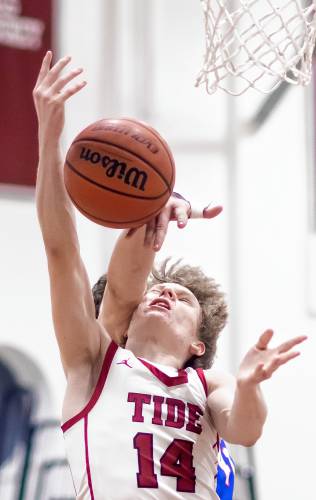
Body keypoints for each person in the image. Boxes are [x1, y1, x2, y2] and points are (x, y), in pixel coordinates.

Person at [33, 52, 306, 500]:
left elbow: (244, 428)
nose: (162, 293)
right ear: (127, 318)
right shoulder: (94, 363)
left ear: (199, 343)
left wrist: (251, 386)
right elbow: (63, 252)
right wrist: (50, 134)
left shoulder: (207, 385)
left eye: (182, 297)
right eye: (155, 290)